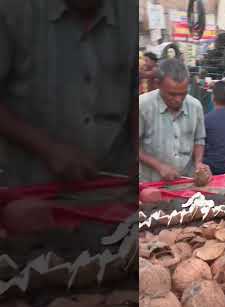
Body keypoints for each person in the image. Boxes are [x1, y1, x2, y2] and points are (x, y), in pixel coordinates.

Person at [0, 0, 138, 186]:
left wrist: (139, 153)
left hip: (113, 182)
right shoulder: (14, 10)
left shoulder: (129, 12)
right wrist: (48, 148)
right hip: (32, 186)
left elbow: (134, 93)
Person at [139, 58, 211, 182]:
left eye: (183, 94)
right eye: (172, 94)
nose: (178, 99)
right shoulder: (143, 106)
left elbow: (199, 139)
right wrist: (158, 165)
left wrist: (198, 163)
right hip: (151, 184)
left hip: (185, 181)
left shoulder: (195, 106)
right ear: (157, 84)